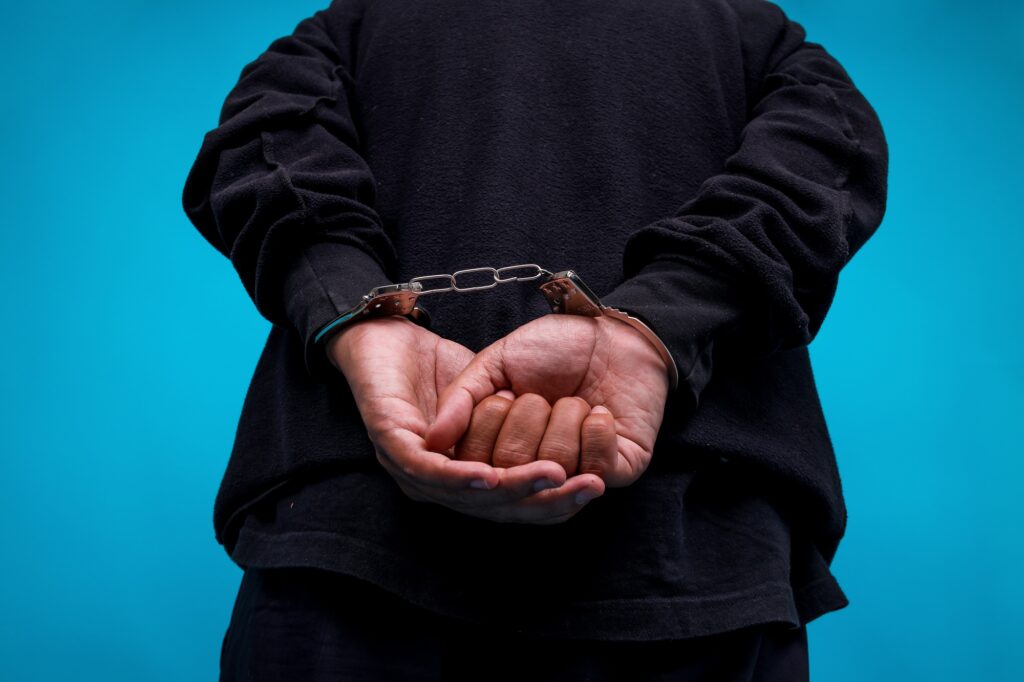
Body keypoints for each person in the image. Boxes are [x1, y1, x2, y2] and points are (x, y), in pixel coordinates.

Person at [182, 0, 888, 678]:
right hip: (694, 545)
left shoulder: (354, 21)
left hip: (353, 535)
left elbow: (266, 145)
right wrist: (662, 321)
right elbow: (826, 156)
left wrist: (354, 306)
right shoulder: (755, 32)